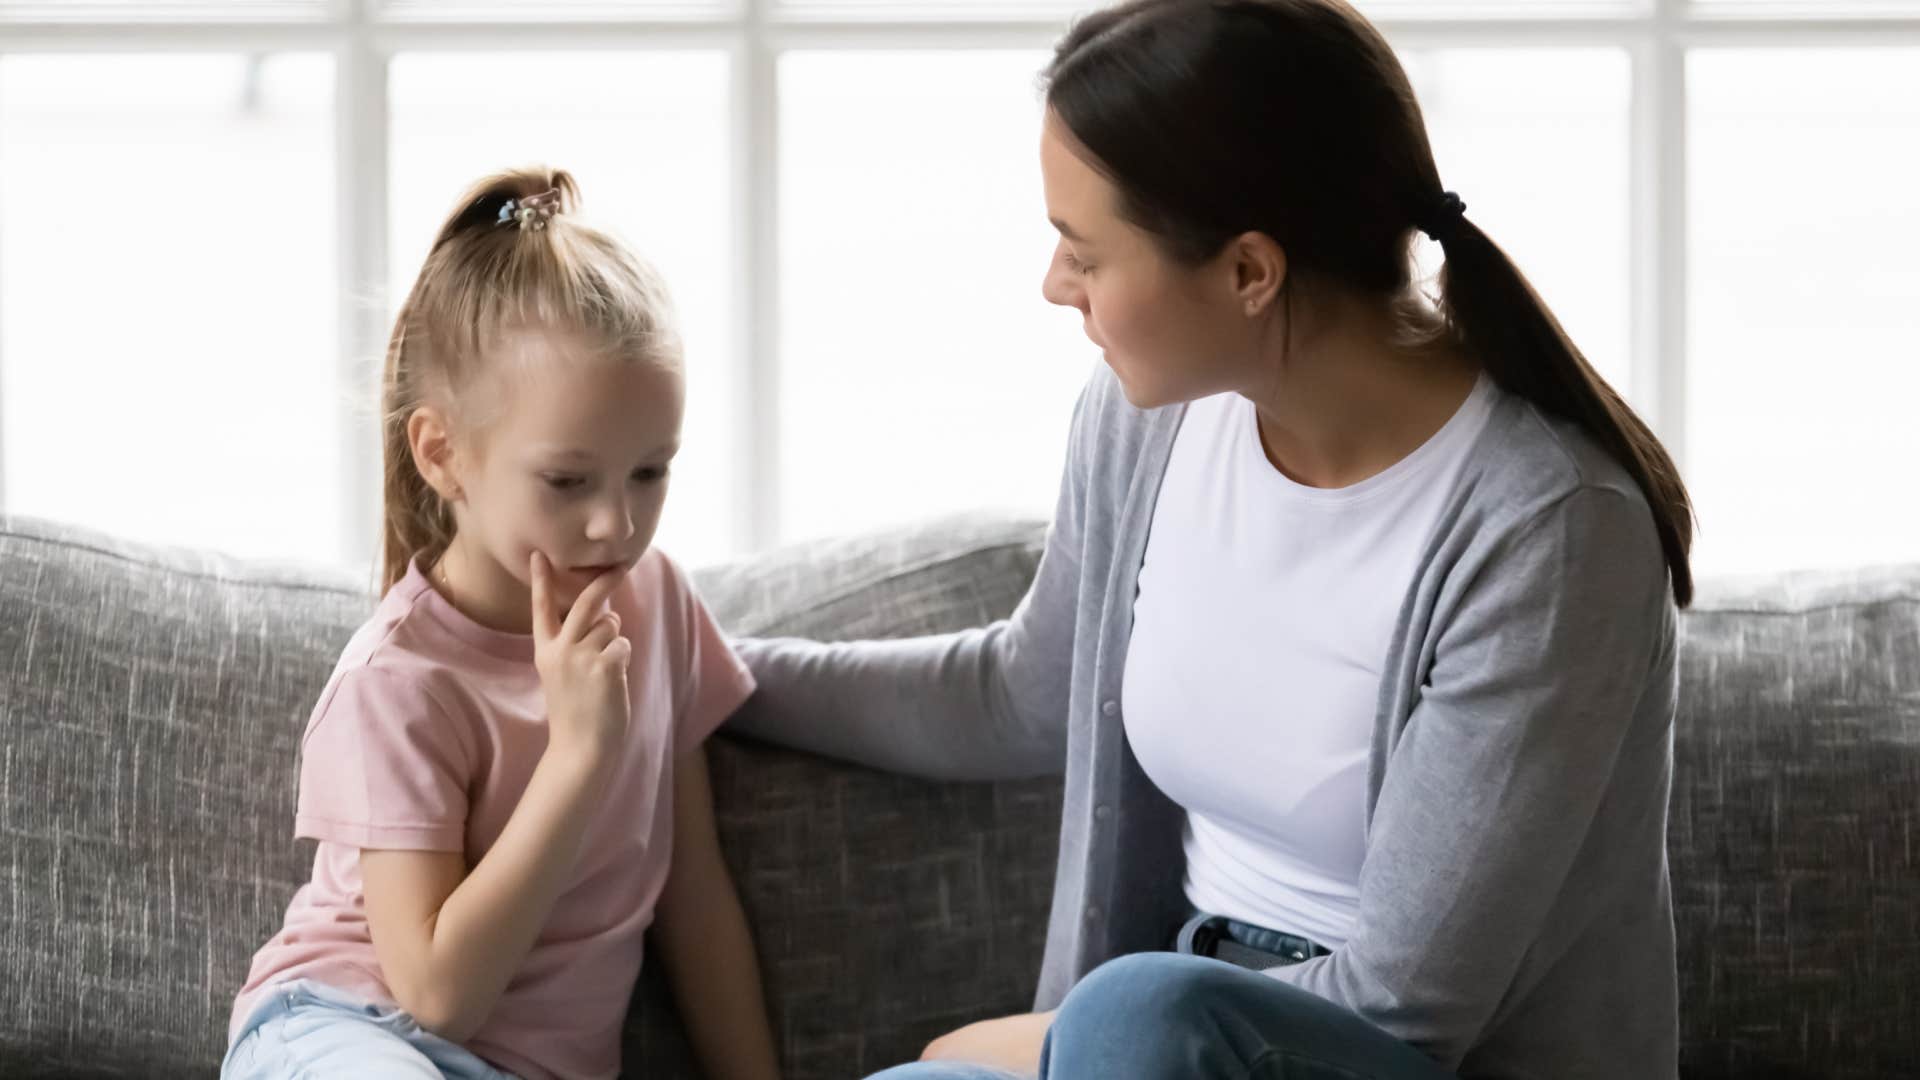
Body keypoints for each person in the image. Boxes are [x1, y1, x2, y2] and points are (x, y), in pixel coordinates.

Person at [727, 1, 1693, 1077]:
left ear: (1248, 272)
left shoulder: (1548, 536)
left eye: (1083, 252)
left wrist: (1046, 1040)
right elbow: (1024, 693)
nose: (1056, 286)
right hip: (1144, 1051)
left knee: (1135, 1014)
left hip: (1339, 1055)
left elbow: (1407, 1007)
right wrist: (707, 670)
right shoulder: (1143, 423)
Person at [224, 168, 779, 1080]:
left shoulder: (659, 605)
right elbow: (438, 995)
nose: (617, 524)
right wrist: (577, 756)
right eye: (568, 482)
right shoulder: (397, 684)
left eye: (650, 472)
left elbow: (694, 895)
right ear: (443, 454)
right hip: (348, 1030)